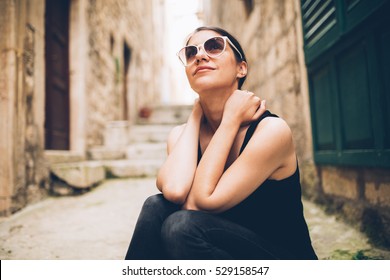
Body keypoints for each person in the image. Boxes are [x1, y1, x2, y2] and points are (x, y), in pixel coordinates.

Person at [124, 26, 318, 260]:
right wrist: (196, 114)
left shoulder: (270, 131)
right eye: (190, 52)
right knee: (156, 206)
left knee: (182, 226)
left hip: (281, 259)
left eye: (214, 46)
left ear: (241, 68)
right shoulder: (180, 135)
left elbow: (201, 203)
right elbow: (174, 190)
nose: (200, 55)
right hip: (222, 251)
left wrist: (230, 120)